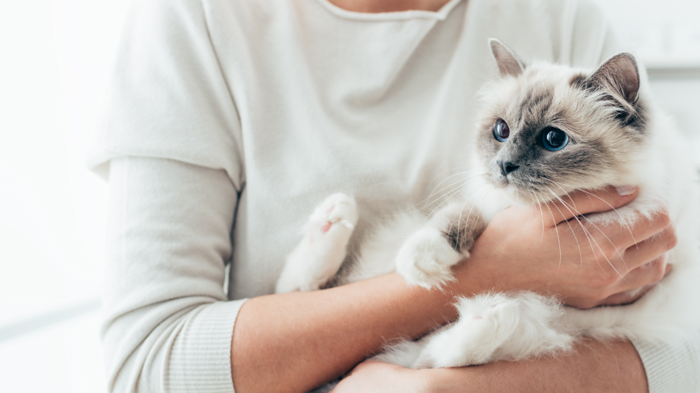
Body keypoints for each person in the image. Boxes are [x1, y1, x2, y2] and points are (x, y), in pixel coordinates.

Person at [89, 0, 700, 392]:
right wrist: (483, 272)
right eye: (500, 134)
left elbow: (686, 351)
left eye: (548, 141)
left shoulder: (560, 14)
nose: (511, 160)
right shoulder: (194, 20)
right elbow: (146, 368)